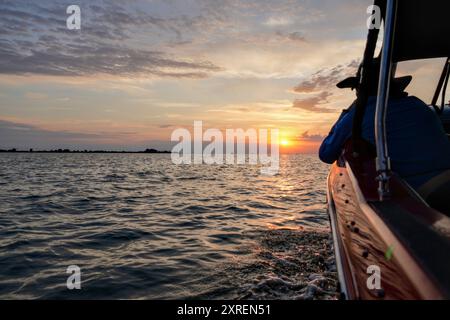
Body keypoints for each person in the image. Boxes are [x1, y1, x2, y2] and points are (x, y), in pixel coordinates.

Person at [319, 61, 450, 214]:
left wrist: (350, 109)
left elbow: (326, 153)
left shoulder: (359, 115)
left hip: (424, 194)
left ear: (360, 90)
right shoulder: (417, 104)